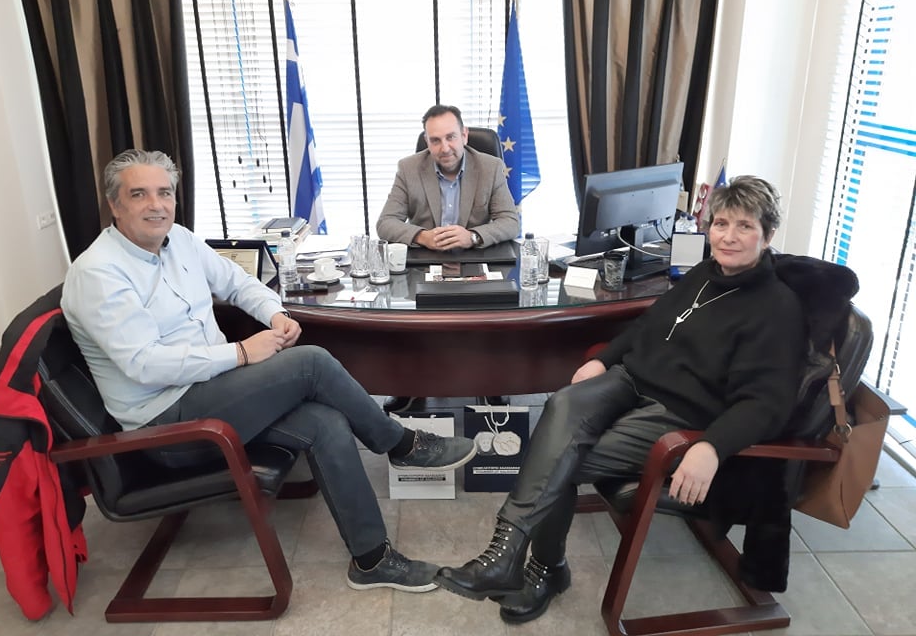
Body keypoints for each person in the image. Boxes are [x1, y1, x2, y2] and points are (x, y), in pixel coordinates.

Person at [61, 148, 477, 594]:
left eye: (165, 193)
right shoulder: (99, 273)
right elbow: (145, 365)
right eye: (139, 194)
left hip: (209, 392)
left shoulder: (177, 239)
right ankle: (401, 444)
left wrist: (275, 313)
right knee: (312, 363)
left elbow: (237, 281)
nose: (156, 205)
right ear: (115, 205)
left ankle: (372, 559)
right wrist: (242, 353)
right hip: (167, 426)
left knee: (325, 421)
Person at [433, 175, 808, 623]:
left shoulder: (777, 308)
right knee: (561, 405)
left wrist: (712, 446)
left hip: (678, 413)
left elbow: (767, 403)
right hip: (630, 380)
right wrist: (604, 359)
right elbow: (647, 328)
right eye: (721, 223)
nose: (728, 237)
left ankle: (538, 566)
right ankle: (508, 556)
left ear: (768, 235)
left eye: (744, 226)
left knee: (557, 458)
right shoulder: (704, 274)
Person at [376, 104, 520, 412]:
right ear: (426, 142)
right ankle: (409, 385)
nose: (445, 147)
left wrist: (474, 236)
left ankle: (491, 382)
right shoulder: (409, 168)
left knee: (493, 316)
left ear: (464, 135)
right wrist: (421, 235)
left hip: (477, 260)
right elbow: (385, 223)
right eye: (435, 140)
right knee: (406, 319)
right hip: (425, 263)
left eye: (451, 137)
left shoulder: (490, 167)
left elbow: (510, 221)